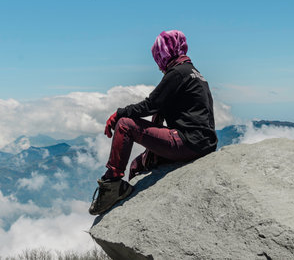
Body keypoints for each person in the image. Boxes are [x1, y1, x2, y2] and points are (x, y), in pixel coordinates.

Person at [89, 30, 218, 215]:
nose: (158, 65)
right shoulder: (193, 73)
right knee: (136, 165)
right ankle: (131, 208)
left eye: (158, 56)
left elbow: (151, 105)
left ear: (165, 52)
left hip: (188, 142)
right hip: (201, 144)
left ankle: (111, 184)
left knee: (125, 124)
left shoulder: (178, 73)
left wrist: (118, 114)